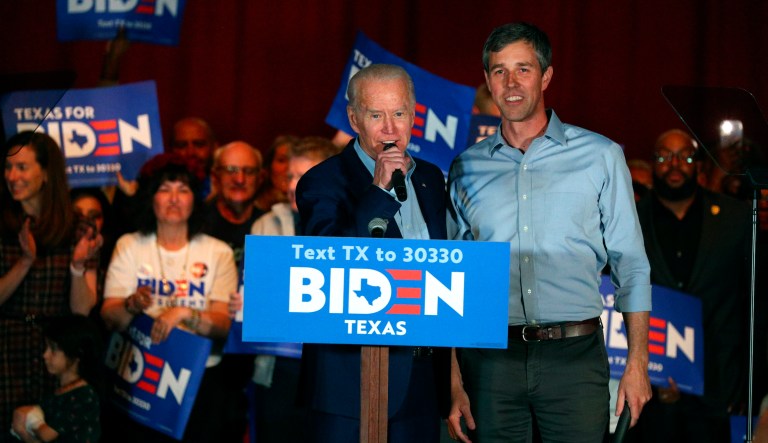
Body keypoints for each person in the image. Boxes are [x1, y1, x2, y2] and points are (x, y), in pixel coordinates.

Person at [446, 23, 652, 442]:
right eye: (499, 71)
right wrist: (455, 384)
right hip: (490, 361)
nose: (511, 82)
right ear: (487, 80)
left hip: (574, 359)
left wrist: (638, 363)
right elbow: (454, 281)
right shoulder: (466, 167)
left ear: (546, 76)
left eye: (523, 68)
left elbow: (631, 265)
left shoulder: (601, 156)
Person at [295, 64, 451, 442]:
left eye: (399, 113)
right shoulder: (322, 182)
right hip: (349, 387)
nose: (390, 128)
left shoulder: (431, 179)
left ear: (414, 116)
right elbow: (332, 264)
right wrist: (378, 194)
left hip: (422, 381)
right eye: (376, 115)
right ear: (354, 119)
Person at [101, 153, 238, 442]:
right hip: (139, 375)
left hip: (200, 379)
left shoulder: (218, 252)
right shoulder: (130, 245)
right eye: (164, 189)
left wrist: (186, 314)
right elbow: (109, 316)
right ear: (151, 198)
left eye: (183, 190)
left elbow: (224, 325)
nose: (174, 198)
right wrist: (131, 304)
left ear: (195, 199)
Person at [629, 129, 750, 442]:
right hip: (649, 391)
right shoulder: (629, 221)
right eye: (664, 156)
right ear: (653, 163)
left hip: (719, 389)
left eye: (684, 156)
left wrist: (751, 381)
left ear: (698, 164)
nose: (674, 164)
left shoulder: (735, 219)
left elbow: (753, 301)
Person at [0, 131, 101, 441]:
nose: (12, 176)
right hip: (7, 350)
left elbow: (81, 309)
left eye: (22, 167)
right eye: (7, 168)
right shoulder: (2, 226)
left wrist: (77, 265)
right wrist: (25, 262)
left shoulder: (77, 228)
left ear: (46, 173)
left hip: (56, 354)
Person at [242, 136, 339, 442]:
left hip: (332, 370)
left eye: (302, 176)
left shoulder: (353, 226)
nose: (291, 184)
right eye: (290, 176)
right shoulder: (266, 225)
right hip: (278, 368)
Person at [12, 314, 102, 443]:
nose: (45, 355)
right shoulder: (58, 390)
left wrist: (30, 417)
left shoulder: (84, 395)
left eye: (53, 349)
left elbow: (47, 435)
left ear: (76, 354)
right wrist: (22, 431)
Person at [254, 135, 295, 212]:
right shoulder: (251, 208)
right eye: (281, 160)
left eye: (294, 161)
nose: (289, 167)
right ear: (269, 166)